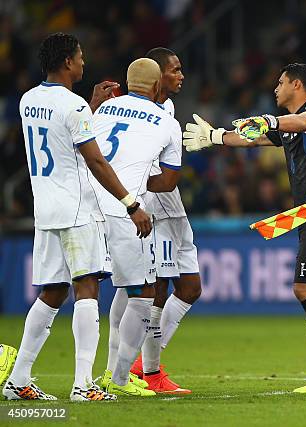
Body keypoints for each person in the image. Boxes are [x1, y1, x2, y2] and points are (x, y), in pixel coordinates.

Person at [2, 32, 151, 402]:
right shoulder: (74, 106)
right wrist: (130, 203)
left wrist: (91, 106)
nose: (84, 62)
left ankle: (18, 379)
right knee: (87, 288)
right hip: (77, 208)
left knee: (52, 291)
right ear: (68, 62)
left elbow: (57, 133)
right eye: (81, 56)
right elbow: (94, 159)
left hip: (46, 207)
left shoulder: (27, 100)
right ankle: (84, 385)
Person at [183, 63, 306, 394]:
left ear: (297, 85)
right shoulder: (288, 127)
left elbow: (305, 121)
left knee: (304, 288)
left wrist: (269, 120)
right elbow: (253, 140)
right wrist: (216, 136)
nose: (275, 88)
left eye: (281, 82)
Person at [93, 58, 182, 397]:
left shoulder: (104, 109)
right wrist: (139, 187)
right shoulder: (166, 121)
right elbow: (169, 180)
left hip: (89, 206)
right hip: (125, 210)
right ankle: (118, 378)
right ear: (157, 84)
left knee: (81, 290)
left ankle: (68, 379)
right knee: (144, 293)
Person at [121, 47, 196, 395]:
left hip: (174, 207)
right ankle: (149, 372)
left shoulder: (167, 109)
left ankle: (141, 365)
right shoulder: (142, 113)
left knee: (191, 288)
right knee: (159, 288)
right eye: (175, 70)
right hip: (154, 208)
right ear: (157, 75)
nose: (181, 75)